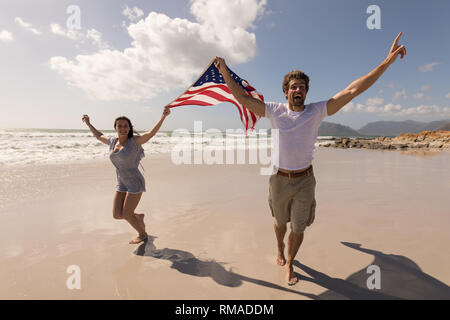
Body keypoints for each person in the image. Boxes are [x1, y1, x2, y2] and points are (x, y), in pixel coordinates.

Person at [214, 33, 406, 285]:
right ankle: (279, 248)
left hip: (305, 180)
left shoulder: (317, 111)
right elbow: (244, 99)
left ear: (306, 92)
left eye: (302, 87)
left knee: (299, 228)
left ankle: (291, 262)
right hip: (279, 179)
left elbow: (353, 90)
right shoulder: (274, 110)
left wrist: (386, 62)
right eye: (293, 87)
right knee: (280, 223)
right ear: (286, 91)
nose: (298, 90)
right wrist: (224, 70)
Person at [82, 106, 171, 244]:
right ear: (115, 128)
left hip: (135, 182)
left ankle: (143, 234)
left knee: (127, 214)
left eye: (125, 126)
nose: (123, 128)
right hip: (121, 182)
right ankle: (138, 217)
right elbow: (99, 135)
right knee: (117, 215)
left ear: (129, 128)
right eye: (120, 125)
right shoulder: (112, 141)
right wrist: (88, 123)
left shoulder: (135, 141)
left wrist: (163, 116)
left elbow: (151, 133)